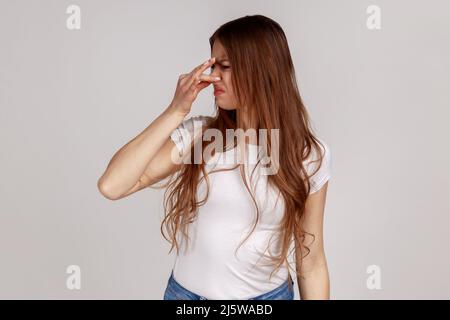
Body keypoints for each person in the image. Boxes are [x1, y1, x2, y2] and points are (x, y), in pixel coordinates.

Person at [98, 14, 332, 300]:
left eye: (226, 66)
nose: (213, 76)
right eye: (212, 64)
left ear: (260, 70)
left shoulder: (307, 155)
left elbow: (312, 259)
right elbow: (112, 185)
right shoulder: (200, 136)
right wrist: (176, 111)